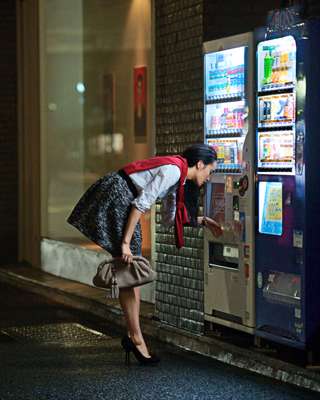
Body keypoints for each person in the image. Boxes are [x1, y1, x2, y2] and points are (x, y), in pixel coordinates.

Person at [67, 143, 222, 365]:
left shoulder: (178, 179)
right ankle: (136, 337)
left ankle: (134, 336)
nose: (209, 176)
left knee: (130, 273)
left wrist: (204, 221)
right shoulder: (173, 171)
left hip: (123, 196)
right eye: (210, 170)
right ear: (199, 164)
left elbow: (169, 220)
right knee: (130, 268)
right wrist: (126, 243)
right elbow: (142, 203)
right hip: (119, 194)